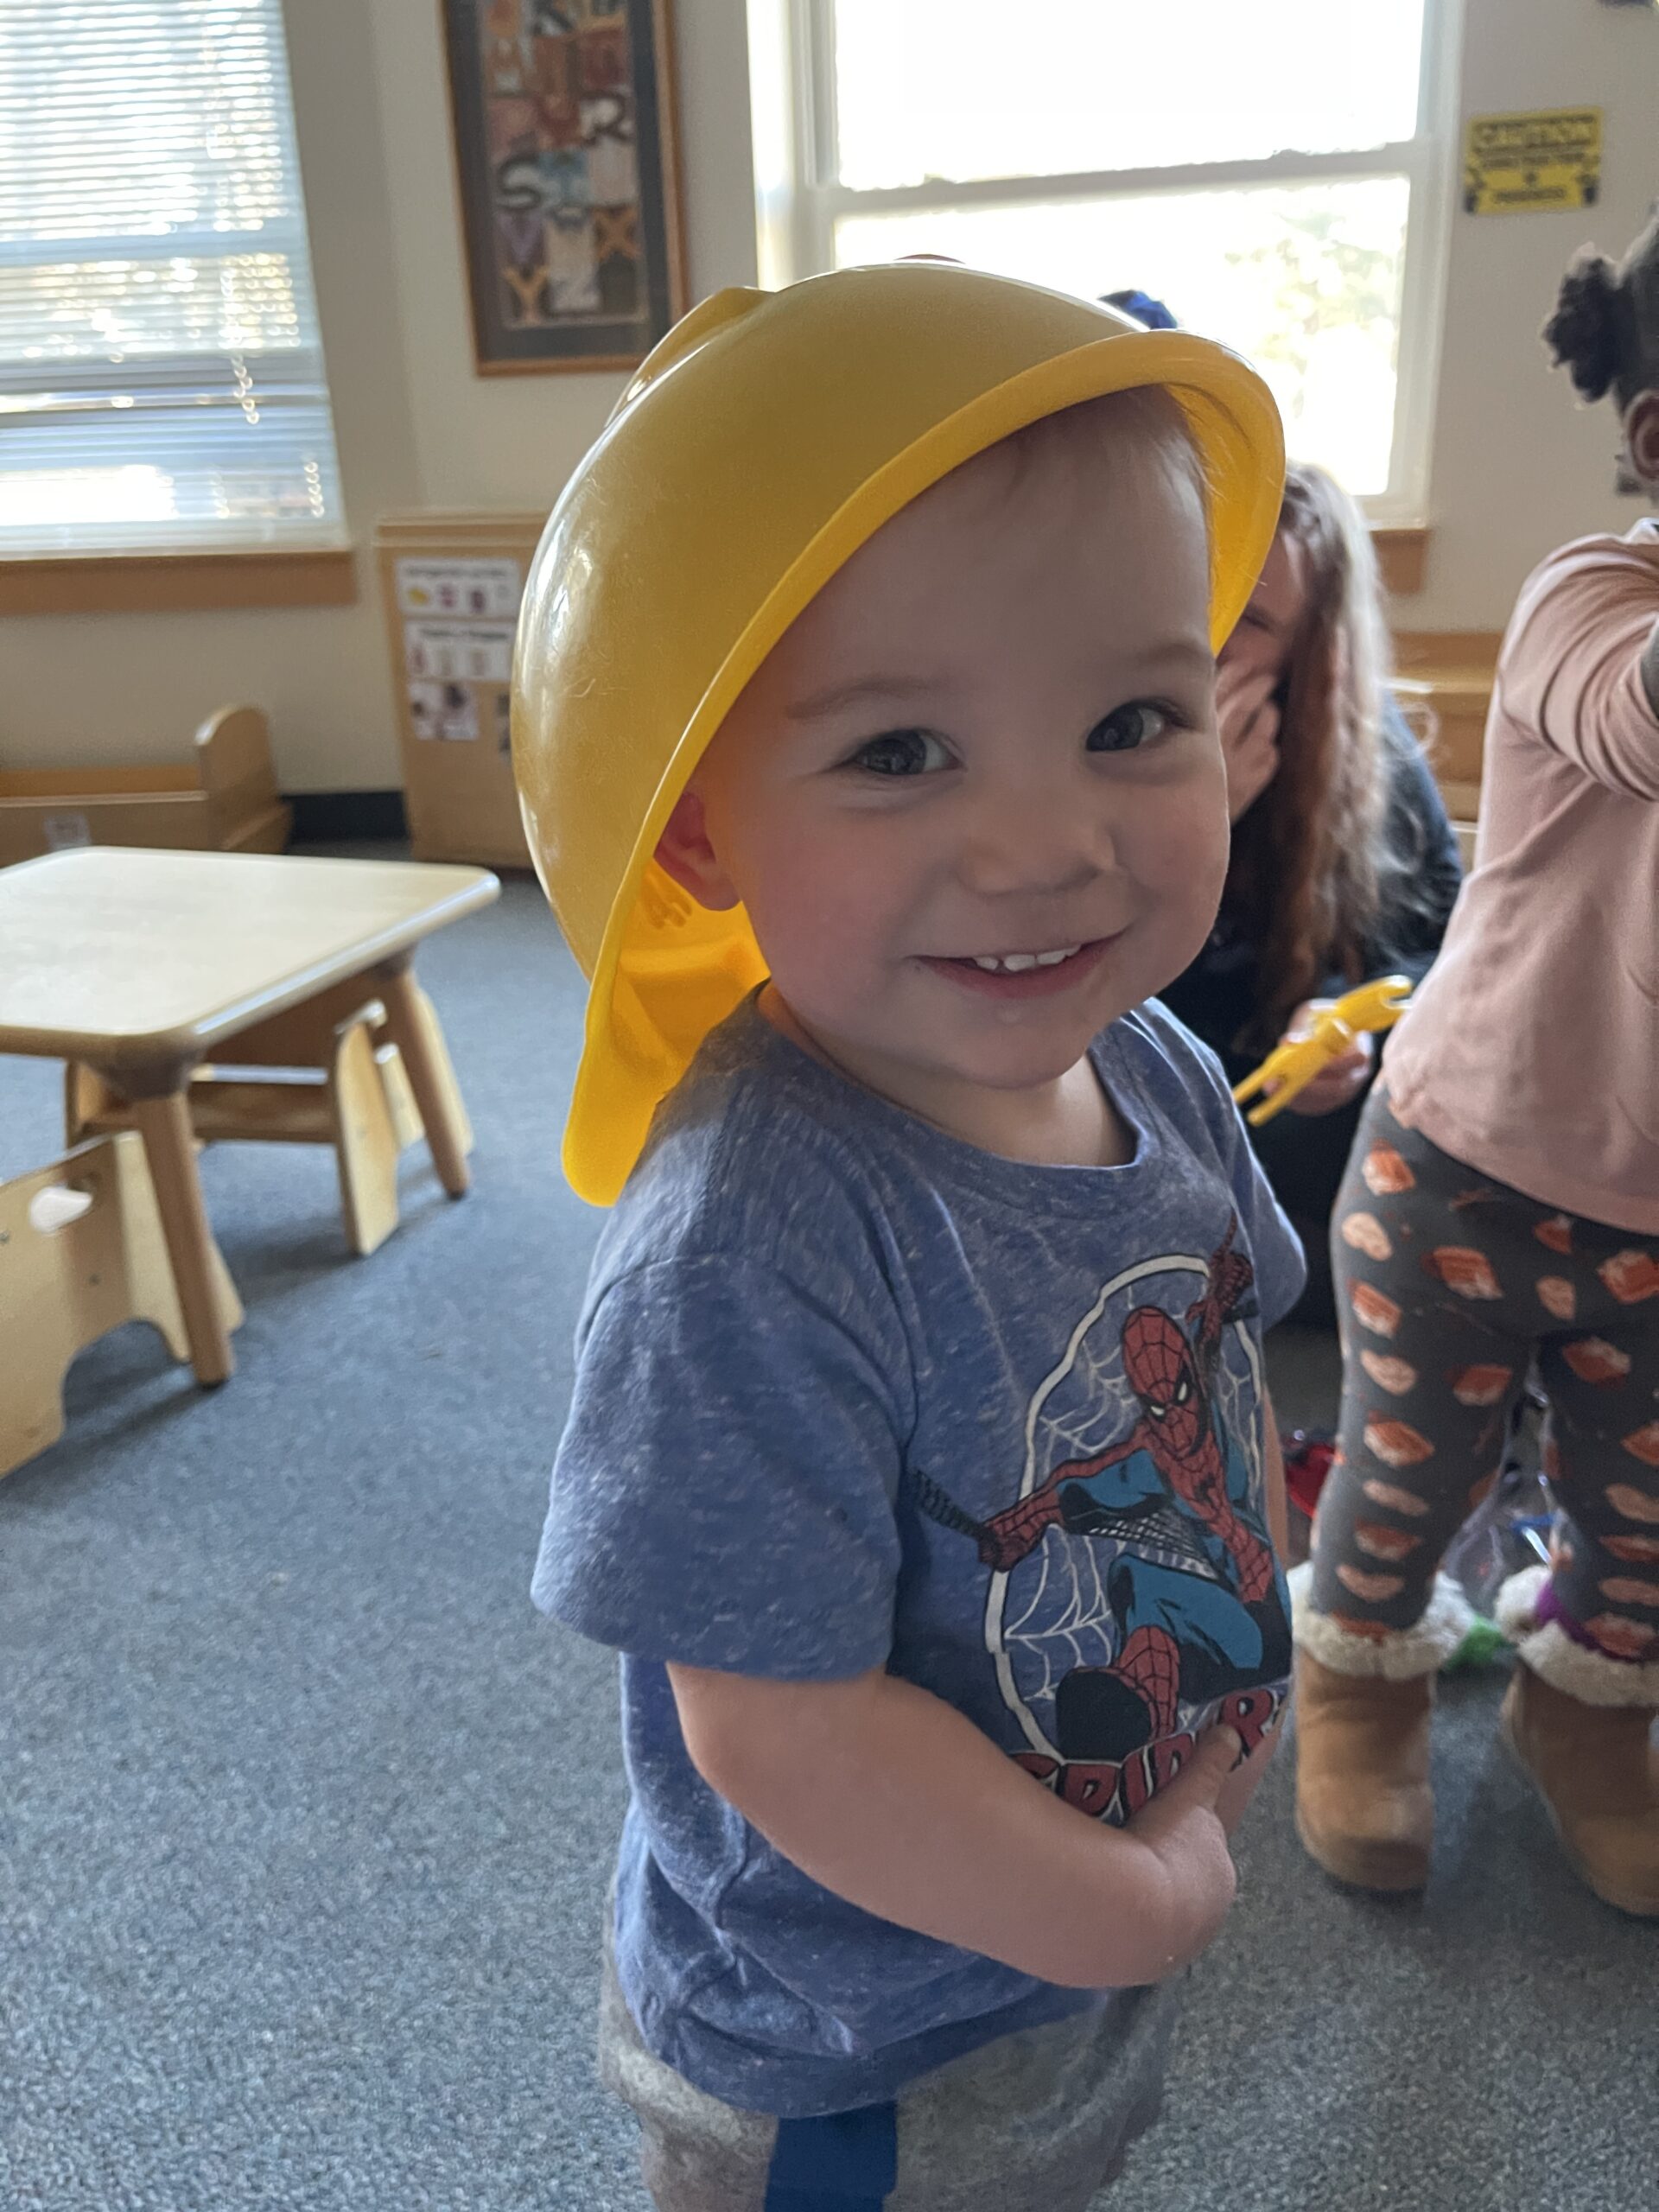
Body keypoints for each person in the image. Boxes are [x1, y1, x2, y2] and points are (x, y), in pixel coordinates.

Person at [515, 266, 1304, 2209]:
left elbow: (1228, 1343)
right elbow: (780, 1728)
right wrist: (1130, 1900)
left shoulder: (1154, 1059)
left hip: (1071, 1924)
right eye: (899, 753)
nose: (1049, 847)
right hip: (851, 2039)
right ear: (698, 827)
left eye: (1131, 720)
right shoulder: (748, 1246)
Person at [1290, 210, 1659, 1916]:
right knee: (1406, 1476)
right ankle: (1355, 1694)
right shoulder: (1592, 598)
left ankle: (1582, 1711)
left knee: (1642, 1518)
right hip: (1465, 1170)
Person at [1160, 462, 1463, 1267]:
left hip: (1284, 1104)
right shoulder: (1104, 724)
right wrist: (1198, 826)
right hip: (1153, 1086)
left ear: (1308, 652)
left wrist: (1345, 1019)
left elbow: (1446, 946)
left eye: (1252, 619)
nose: (1209, 633)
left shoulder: (1367, 748)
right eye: (1202, 591)